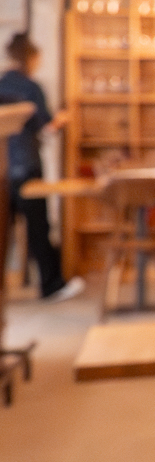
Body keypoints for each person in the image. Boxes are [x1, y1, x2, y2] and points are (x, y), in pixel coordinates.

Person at [1, 33, 82, 301]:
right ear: (31, 58)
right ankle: (51, 285)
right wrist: (62, 119)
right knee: (38, 229)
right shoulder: (31, 87)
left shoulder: (2, 84)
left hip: (3, 168)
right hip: (26, 165)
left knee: (3, 233)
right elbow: (46, 127)